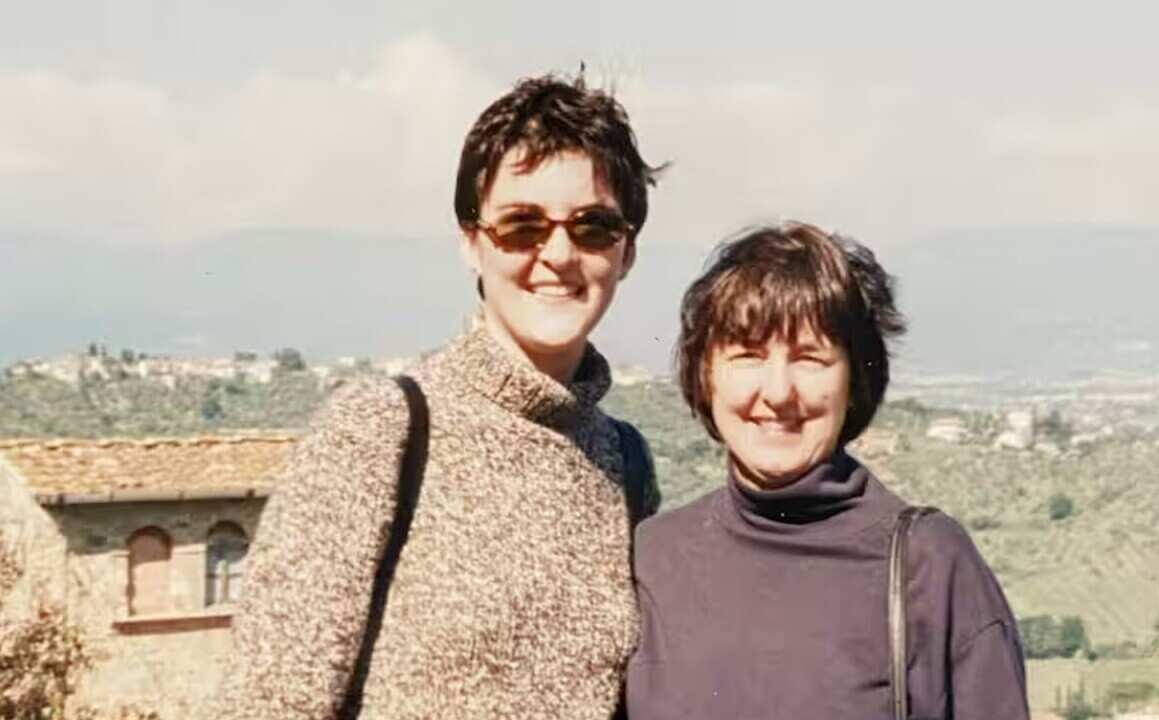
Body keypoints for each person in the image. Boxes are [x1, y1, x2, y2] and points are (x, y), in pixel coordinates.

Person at [218, 74, 662, 719]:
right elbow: (271, 702)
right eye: (522, 225)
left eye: (592, 227)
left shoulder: (625, 463)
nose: (558, 254)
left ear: (625, 253)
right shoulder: (381, 432)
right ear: (472, 242)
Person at [625, 222, 1028, 719]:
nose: (777, 392)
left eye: (810, 358)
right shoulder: (653, 560)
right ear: (705, 376)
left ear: (854, 380)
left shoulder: (930, 567)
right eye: (748, 356)